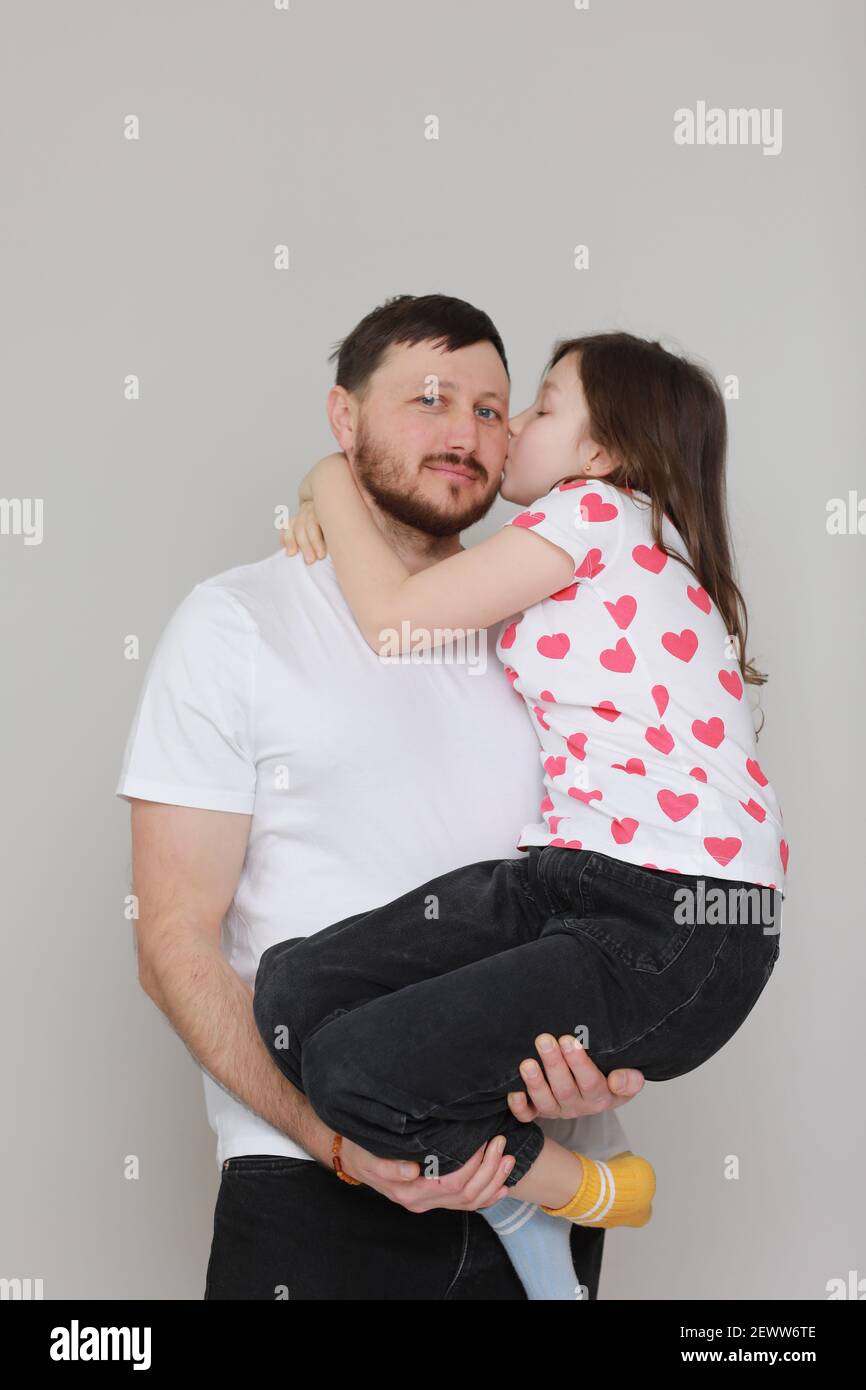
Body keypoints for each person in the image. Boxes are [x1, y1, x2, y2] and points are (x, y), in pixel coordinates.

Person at [116, 293, 648, 1302]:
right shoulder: (237, 624)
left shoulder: (554, 637)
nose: (465, 432)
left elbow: (619, 883)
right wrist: (340, 1141)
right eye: (430, 399)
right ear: (343, 418)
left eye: (494, 410)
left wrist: (600, 1054)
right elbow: (172, 941)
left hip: (542, 1196)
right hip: (321, 1197)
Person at [253, 327, 787, 1301]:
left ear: (600, 451)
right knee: (291, 990)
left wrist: (330, 476)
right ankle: (524, 1185)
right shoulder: (637, 541)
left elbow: (395, 619)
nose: (513, 428)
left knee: (352, 1069)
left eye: (538, 407)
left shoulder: (593, 514)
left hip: (678, 918)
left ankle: (575, 1191)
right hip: (570, 876)